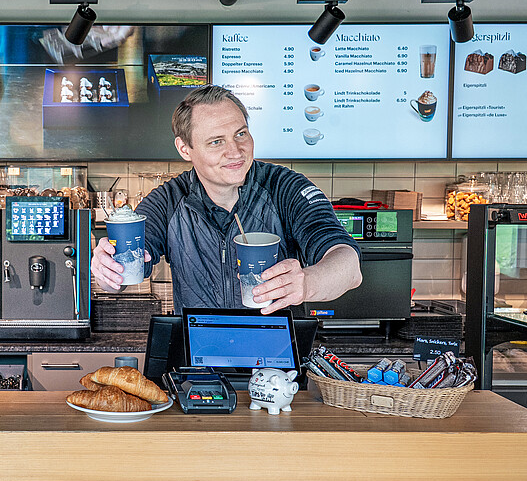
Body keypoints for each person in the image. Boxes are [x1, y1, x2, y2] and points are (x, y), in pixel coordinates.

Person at [91, 85, 362, 314]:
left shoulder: (285, 188)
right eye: (216, 142)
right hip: (200, 354)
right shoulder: (169, 201)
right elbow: (119, 277)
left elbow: (349, 266)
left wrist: (306, 283)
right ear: (185, 148)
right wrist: (107, 270)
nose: (235, 151)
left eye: (240, 134)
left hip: (279, 355)